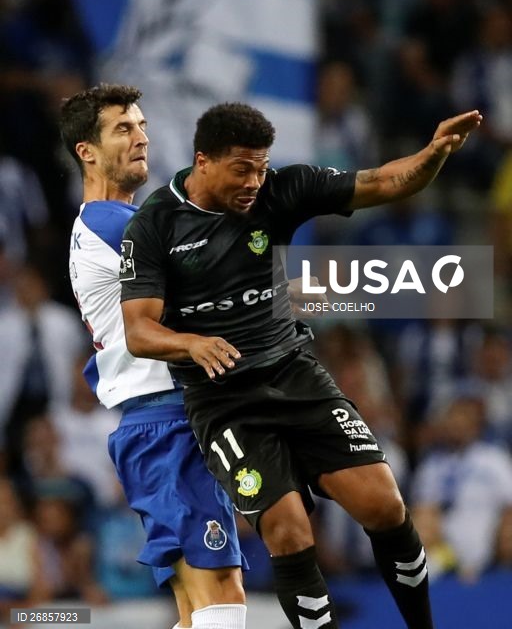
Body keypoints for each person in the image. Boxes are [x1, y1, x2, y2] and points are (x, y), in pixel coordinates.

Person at [120, 101, 482, 629]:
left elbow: (385, 182)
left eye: (261, 167)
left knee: (384, 505)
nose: (253, 181)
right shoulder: (154, 225)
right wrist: (191, 344)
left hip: (293, 372)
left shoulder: (281, 190)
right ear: (203, 161)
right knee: (289, 530)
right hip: (225, 401)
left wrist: (432, 154)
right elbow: (138, 330)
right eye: (241, 168)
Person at [59, 85, 247, 629]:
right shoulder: (118, 226)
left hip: (162, 423)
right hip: (169, 422)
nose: (142, 137)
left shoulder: (112, 225)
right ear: (86, 151)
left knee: (196, 606)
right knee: (221, 598)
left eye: (142, 125)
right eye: (123, 128)